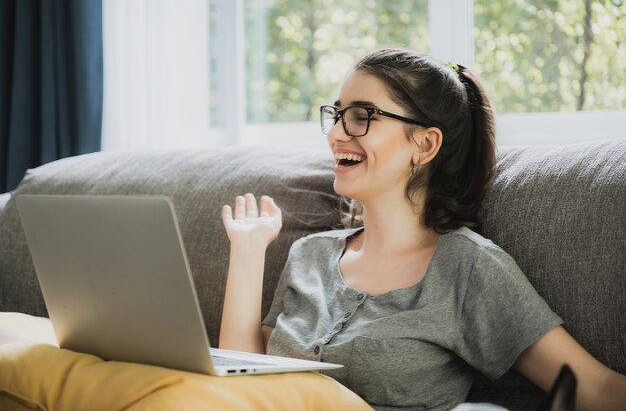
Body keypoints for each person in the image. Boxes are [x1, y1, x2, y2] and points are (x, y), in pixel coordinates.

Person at [219, 48, 626, 411]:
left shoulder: (467, 267)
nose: (336, 133)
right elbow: (242, 385)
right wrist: (249, 250)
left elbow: (595, 388)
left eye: (362, 117)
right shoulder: (310, 255)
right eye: (337, 114)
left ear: (426, 145)